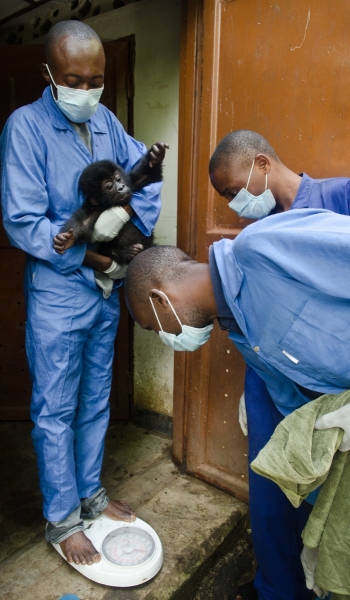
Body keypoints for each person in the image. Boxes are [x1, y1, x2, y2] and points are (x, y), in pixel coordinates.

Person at [0, 20, 162, 567]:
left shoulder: (106, 120)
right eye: (75, 78)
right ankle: (62, 517)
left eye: (96, 79)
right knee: (55, 407)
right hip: (59, 291)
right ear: (48, 73)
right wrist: (89, 254)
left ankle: (90, 494)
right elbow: (23, 220)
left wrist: (123, 240)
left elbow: (146, 177)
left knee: (96, 396)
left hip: (105, 291)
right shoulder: (25, 127)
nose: (86, 90)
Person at [124, 208, 350, 600]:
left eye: (153, 327)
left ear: (161, 299)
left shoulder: (262, 247)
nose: (165, 337)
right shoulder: (238, 327)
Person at [208, 130, 350, 600]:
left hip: (327, 387)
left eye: (232, 191)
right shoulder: (255, 233)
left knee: (322, 486)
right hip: (270, 382)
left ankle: (318, 586)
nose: (232, 203)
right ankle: (275, 588)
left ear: (262, 165)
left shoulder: (338, 196)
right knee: (270, 489)